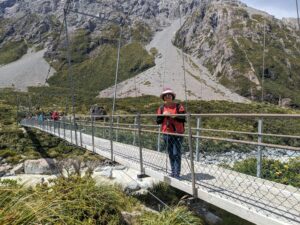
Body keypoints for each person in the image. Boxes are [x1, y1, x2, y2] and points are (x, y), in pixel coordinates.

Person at [156, 88, 186, 179]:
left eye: (169, 95)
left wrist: (172, 115)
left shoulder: (178, 106)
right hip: (166, 133)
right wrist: (163, 115)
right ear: (164, 98)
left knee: (176, 153)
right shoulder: (161, 108)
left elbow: (183, 119)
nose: (168, 96)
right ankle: (173, 172)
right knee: (170, 153)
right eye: (166, 95)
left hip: (177, 133)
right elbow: (158, 121)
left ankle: (176, 173)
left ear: (172, 96)